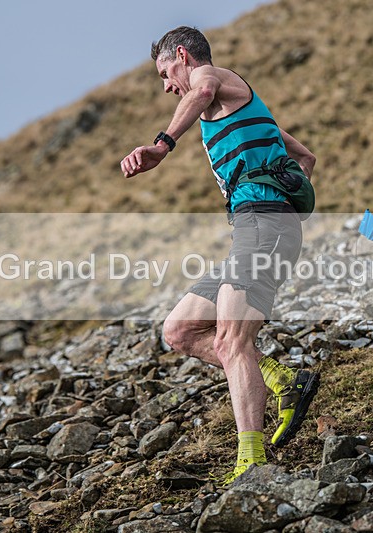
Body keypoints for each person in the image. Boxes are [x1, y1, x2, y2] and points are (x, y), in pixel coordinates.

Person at [120, 26, 320, 485]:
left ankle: (252, 462)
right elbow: (306, 158)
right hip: (255, 228)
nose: (168, 86)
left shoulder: (210, 77)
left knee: (232, 342)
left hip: (263, 224)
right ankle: (284, 381)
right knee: (179, 330)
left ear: (183, 56)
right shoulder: (237, 110)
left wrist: (161, 145)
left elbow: (202, 85)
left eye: (167, 73)